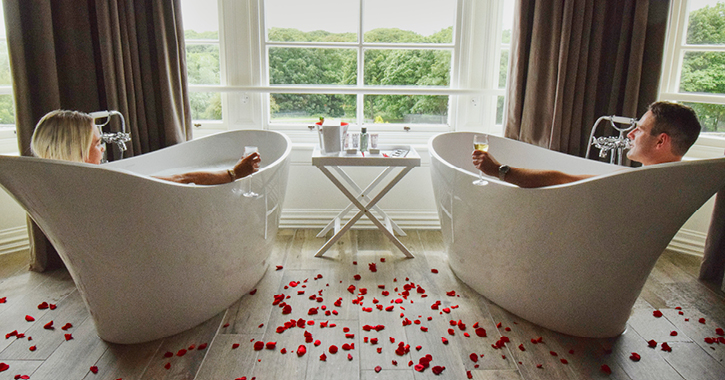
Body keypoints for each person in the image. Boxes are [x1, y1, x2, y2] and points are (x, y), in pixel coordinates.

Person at [472, 101, 701, 188]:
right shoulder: (677, 181)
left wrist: (497, 170)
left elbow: (559, 180)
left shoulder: (640, 183)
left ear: (661, 140)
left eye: (639, 129)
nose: (630, 134)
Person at [30, 109, 260, 185]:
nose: (103, 149)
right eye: (98, 143)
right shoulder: (100, 185)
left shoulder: (54, 184)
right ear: (76, 150)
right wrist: (234, 173)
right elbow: (182, 177)